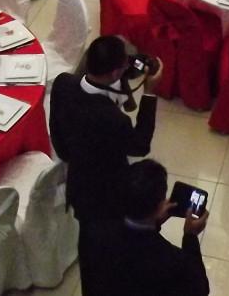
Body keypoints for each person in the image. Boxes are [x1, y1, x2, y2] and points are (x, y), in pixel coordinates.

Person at [50, 36, 161, 293]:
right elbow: (140, 145)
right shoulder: (112, 120)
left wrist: (69, 154)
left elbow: (56, 127)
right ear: (114, 72)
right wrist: (150, 93)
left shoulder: (64, 83)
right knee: (108, 251)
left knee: (89, 244)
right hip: (107, 192)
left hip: (79, 183)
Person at [84, 159, 210, 296]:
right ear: (160, 204)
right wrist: (190, 237)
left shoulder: (93, 233)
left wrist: (155, 223)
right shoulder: (173, 260)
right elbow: (200, 289)